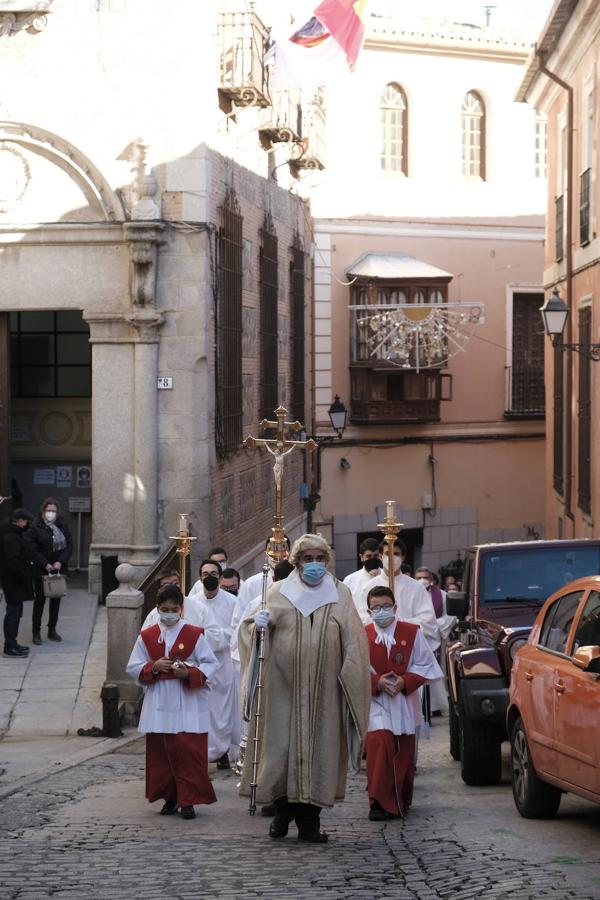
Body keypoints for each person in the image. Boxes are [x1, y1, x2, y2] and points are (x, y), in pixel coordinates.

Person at [238, 533, 371, 844]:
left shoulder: (340, 594)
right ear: (296, 562)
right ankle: (282, 814)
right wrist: (255, 627)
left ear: (327, 561)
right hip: (282, 688)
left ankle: (310, 823)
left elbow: (355, 641)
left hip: (325, 691)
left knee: (318, 754)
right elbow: (251, 632)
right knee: (281, 753)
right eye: (308, 559)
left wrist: (351, 676)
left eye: (320, 559)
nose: (314, 565)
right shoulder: (278, 592)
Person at [126, 584, 219, 819]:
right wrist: (153, 667)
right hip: (160, 701)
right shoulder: (147, 637)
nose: (169, 613)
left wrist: (188, 672)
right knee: (162, 752)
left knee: (188, 750)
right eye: (164, 609)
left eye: (174, 609)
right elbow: (133, 666)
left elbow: (210, 664)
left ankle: (189, 800)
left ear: (181, 609)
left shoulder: (194, 634)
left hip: (187, 700)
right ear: (157, 609)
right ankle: (170, 798)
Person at [365, 585, 443, 821]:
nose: (381, 611)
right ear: (369, 612)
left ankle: (400, 798)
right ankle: (378, 802)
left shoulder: (411, 632)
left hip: (404, 701)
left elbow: (425, 664)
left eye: (385, 606)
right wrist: (376, 682)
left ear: (395, 607)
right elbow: (352, 670)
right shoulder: (363, 635)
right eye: (376, 608)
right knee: (380, 743)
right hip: (376, 703)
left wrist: (405, 681)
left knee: (403, 750)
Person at [193, 559, 239, 769]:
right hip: (201, 664)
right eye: (205, 574)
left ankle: (223, 750)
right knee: (205, 709)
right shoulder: (192, 603)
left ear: (220, 578)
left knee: (223, 709)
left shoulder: (232, 602)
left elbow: (236, 632)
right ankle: (202, 751)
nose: (209, 577)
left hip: (224, 663)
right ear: (200, 577)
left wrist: (212, 636)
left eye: (213, 574)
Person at [355, 541, 438, 645]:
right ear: (380, 557)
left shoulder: (416, 588)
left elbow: (429, 623)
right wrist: (383, 623)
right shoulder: (368, 587)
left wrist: (398, 624)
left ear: (403, 557)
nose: (392, 558)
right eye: (387, 553)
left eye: (396, 554)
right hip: (378, 645)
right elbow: (361, 620)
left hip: (409, 645)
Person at [25, 498, 73, 645]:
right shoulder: (36, 527)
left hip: (58, 570)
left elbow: (69, 545)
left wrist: (60, 561)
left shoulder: (62, 525)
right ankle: (36, 632)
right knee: (39, 601)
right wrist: (45, 563)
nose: (51, 513)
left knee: (56, 600)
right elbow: (31, 548)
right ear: (43, 511)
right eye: (48, 510)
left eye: (53, 510)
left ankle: (52, 629)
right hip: (41, 570)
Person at [0, 507, 34, 657]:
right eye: (26, 521)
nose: (27, 524)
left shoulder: (13, 535)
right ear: (20, 521)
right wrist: (24, 576)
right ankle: (9, 646)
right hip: (13, 583)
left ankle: (13, 643)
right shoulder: (11, 537)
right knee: (13, 613)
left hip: (14, 582)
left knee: (16, 612)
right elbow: (12, 562)